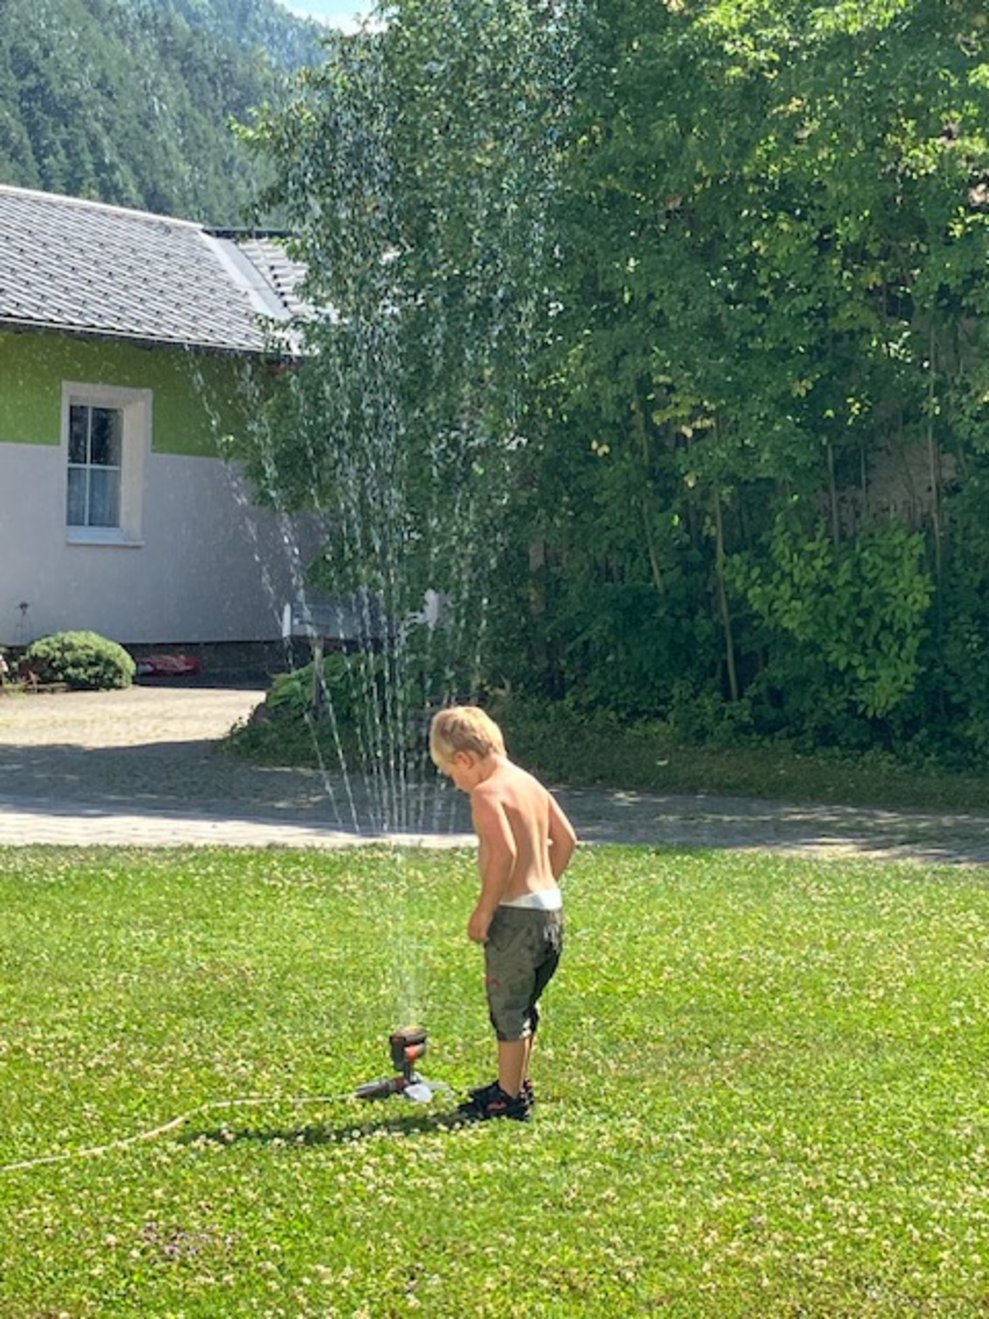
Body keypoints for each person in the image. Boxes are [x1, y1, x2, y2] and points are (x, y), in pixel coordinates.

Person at [429, 705, 577, 1121]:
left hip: (514, 919)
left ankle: (507, 1099)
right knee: (524, 1004)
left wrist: (484, 910)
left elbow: (505, 855)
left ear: (465, 760)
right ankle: (515, 1083)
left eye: (450, 773)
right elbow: (566, 841)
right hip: (549, 913)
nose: (454, 783)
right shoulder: (528, 783)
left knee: (507, 1010)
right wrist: (544, 884)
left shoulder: (486, 793)